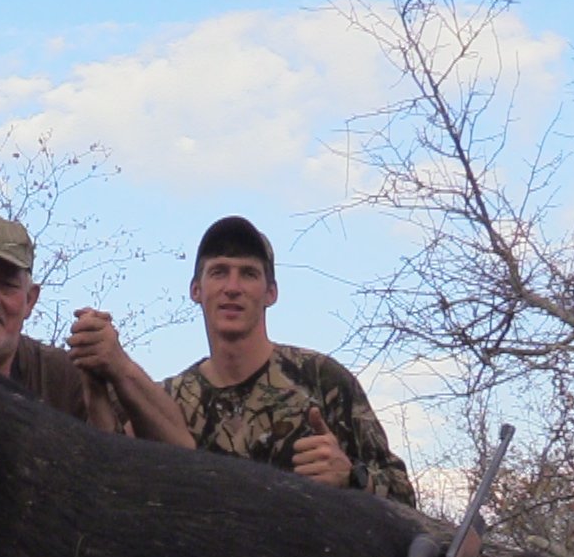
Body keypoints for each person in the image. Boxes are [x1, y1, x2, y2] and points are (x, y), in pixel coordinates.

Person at [163, 215, 417, 506]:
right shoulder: (168, 402)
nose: (232, 287)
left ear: (271, 293)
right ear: (196, 290)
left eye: (248, 274)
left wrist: (352, 477)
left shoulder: (322, 379)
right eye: (219, 272)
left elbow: (404, 496)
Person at [0, 215, 190, 446]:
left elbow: (180, 450)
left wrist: (119, 367)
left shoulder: (61, 376)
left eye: (6, 285)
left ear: (30, 300)